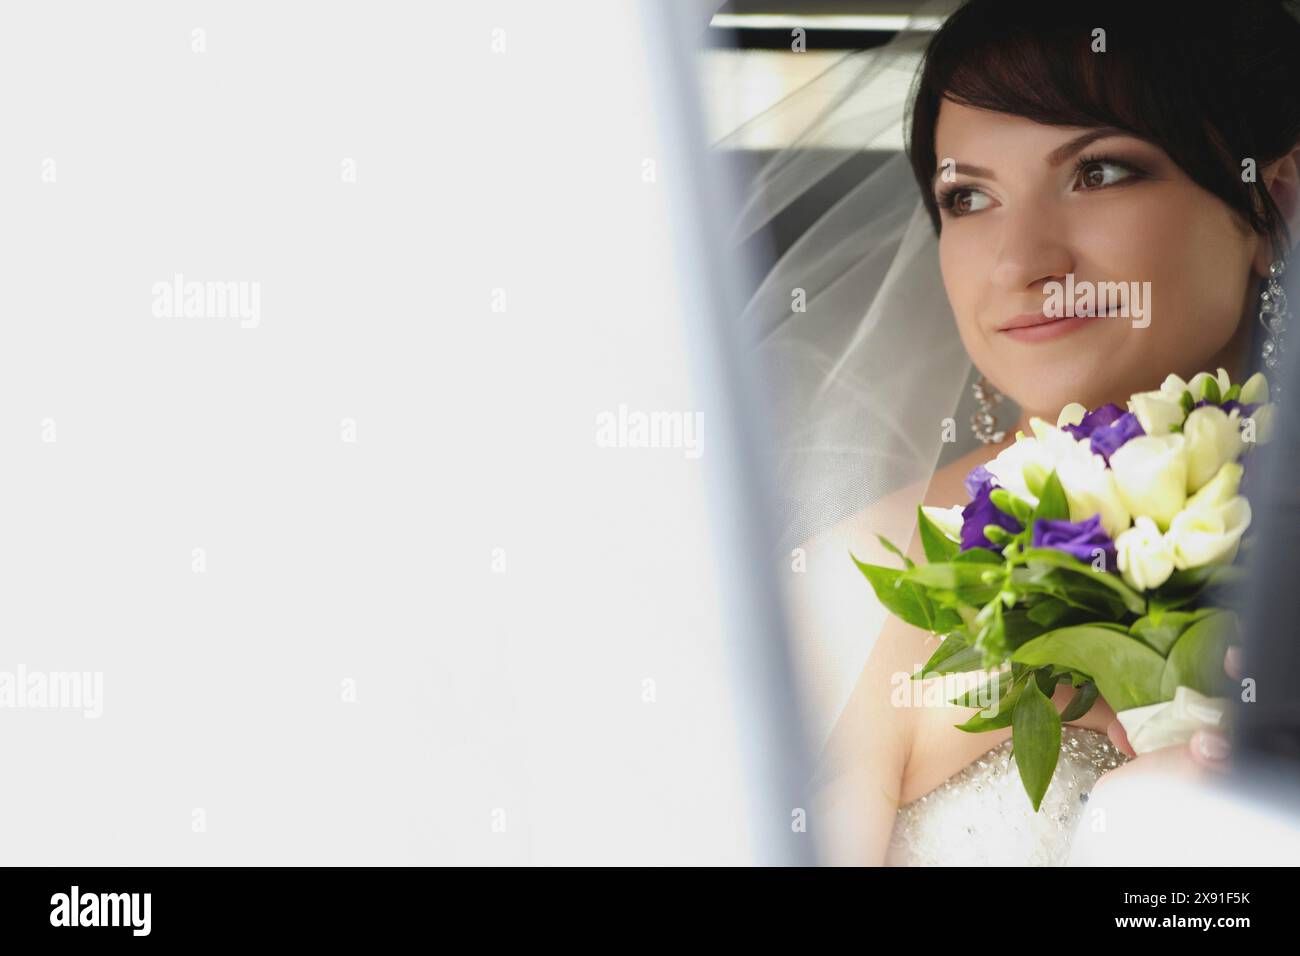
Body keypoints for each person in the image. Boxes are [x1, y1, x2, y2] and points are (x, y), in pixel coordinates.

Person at [721, 0, 1300, 864]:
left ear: (1273, 198)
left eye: (1099, 173)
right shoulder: (854, 593)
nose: (1022, 262)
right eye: (968, 196)